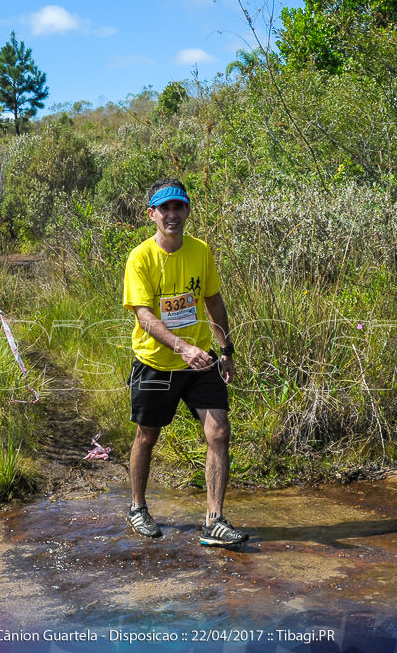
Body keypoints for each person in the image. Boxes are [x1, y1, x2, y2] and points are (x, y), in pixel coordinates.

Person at [122, 178, 249, 547]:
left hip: (200, 362)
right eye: (165, 208)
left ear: (187, 211)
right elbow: (144, 315)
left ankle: (214, 520)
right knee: (147, 436)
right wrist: (181, 347)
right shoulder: (141, 257)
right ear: (152, 215)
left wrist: (224, 350)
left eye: (179, 207)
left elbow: (213, 301)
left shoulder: (201, 251)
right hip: (156, 363)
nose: (172, 214)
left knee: (219, 432)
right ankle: (137, 508)